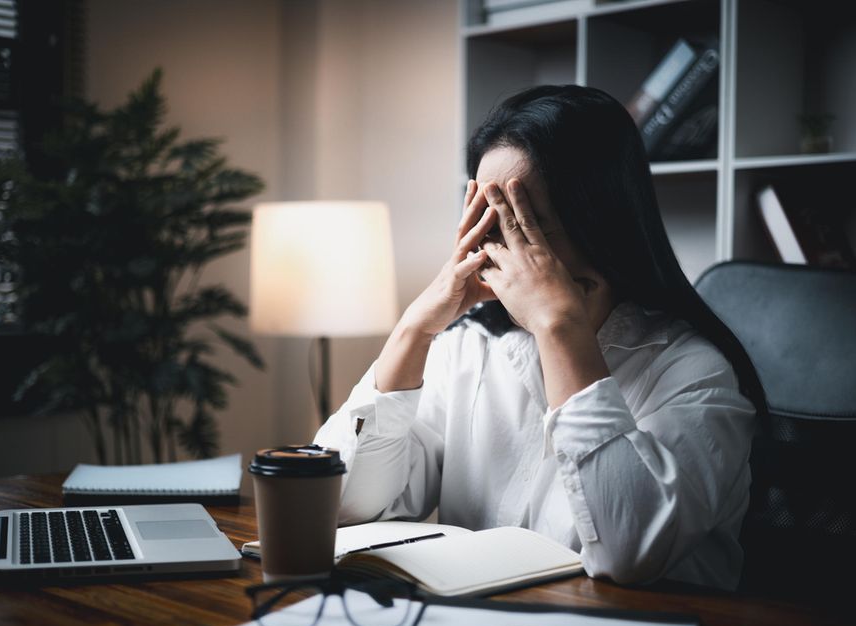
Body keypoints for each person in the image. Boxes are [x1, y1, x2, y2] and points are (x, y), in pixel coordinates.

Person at [313, 85, 764, 591]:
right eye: (488, 221)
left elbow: (631, 551)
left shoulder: (695, 372)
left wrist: (560, 328)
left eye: (522, 225)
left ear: (599, 222)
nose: (500, 249)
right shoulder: (468, 350)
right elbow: (345, 504)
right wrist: (413, 330)